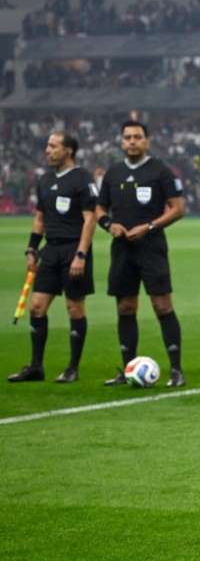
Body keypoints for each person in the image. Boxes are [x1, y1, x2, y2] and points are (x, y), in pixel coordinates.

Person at [94, 120, 186, 386]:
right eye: (127, 137)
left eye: (137, 137)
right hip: (122, 248)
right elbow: (100, 209)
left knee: (161, 305)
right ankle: (127, 368)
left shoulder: (160, 171)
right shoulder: (113, 173)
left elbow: (178, 208)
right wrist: (109, 225)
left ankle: (177, 370)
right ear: (122, 142)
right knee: (125, 307)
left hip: (152, 247)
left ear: (147, 141)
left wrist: (149, 227)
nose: (131, 141)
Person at [9, 131, 95, 384]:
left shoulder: (82, 178)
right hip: (51, 250)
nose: (47, 150)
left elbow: (89, 219)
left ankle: (72, 368)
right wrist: (32, 249)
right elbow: (40, 218)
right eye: (47, 146)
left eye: (53, 146)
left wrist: (81, 254)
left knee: (74, 308)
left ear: (68, 150)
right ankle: (36, 367)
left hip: (73, 249)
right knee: (36, 307)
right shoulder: (45, 180)